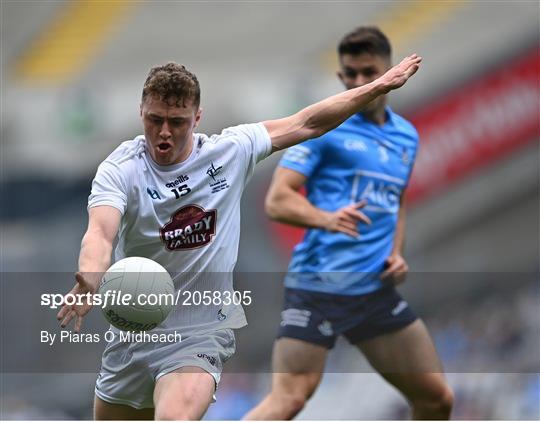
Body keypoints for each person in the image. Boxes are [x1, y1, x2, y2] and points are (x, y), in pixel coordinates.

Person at [56, 50, 421, 420]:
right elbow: (100, 233)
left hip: (199, 332)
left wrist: (375, 88)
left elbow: (308, 122)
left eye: (177, 122)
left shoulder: (230, 151)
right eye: (155, 119)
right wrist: (90, 278)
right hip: (133, 331)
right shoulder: (121, 169)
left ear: (197, 118)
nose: (164, 132)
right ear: (141, 113)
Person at [244, 27, 453, 420]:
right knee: (289, 399)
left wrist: (395, 252)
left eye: (368, 71)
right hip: (318, 287)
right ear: (341, 78)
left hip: (374, 292)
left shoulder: (405, 136)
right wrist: (326, 218)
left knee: (436, 399)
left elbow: (397, 201)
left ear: (389, 71)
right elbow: (277, 199)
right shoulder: (326, 129)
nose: (359, 81)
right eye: (350, 74)